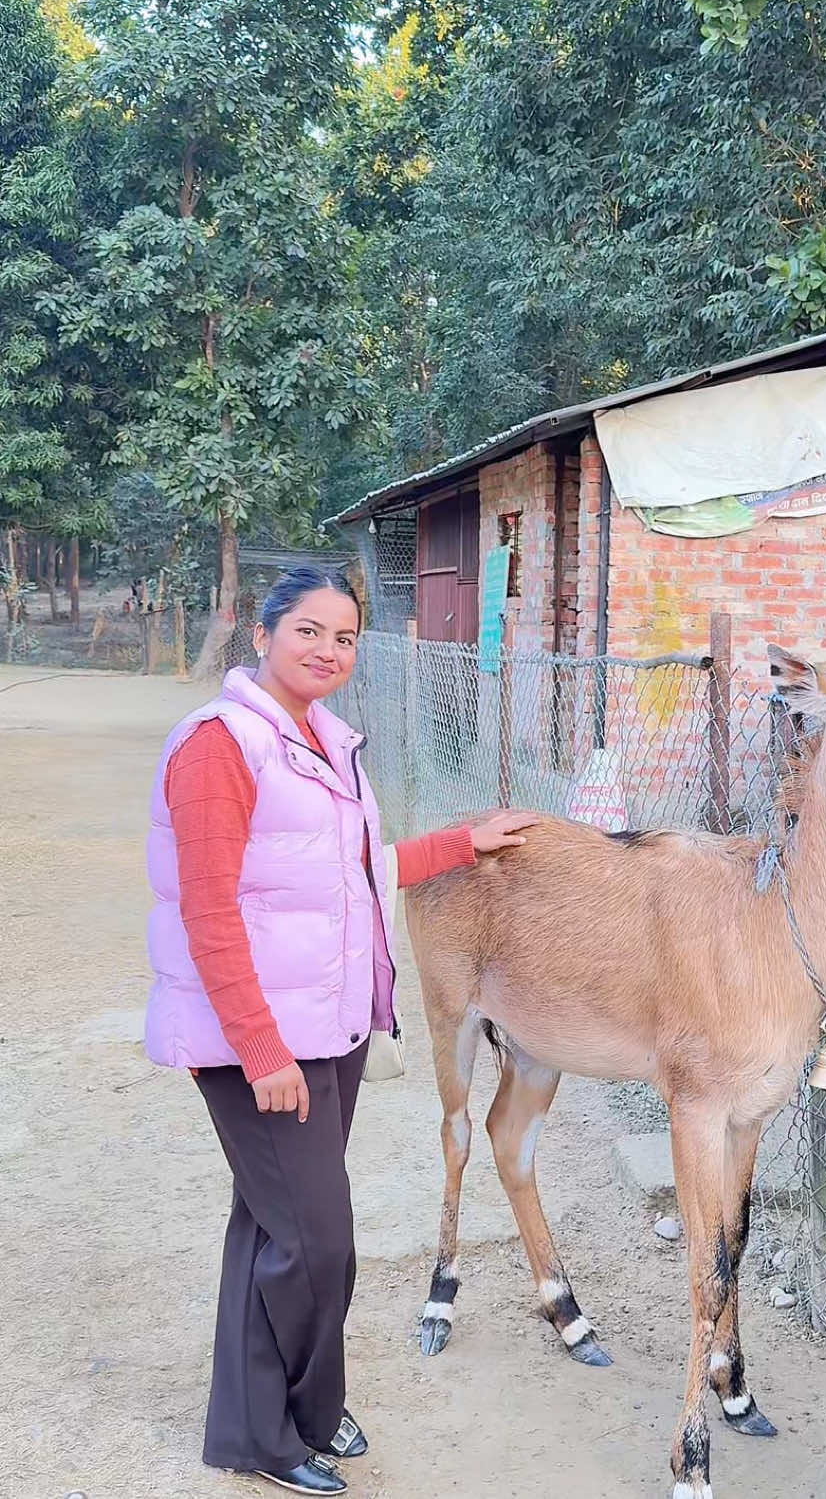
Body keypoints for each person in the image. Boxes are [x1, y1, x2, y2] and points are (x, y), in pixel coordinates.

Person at [144, 566, 534, 1495]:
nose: (327, 650)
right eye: (308, 631)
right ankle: (295, 1427)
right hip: (264, 1042)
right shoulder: (219, 745)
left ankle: (255, 1424)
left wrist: (461, 843)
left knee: (273, 1225)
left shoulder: (322, 738)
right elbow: (209, 914)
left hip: (332, 1025)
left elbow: (351, 867)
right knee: (318, 1243)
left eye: (345, 638)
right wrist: (262, 1048)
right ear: (262, 634)